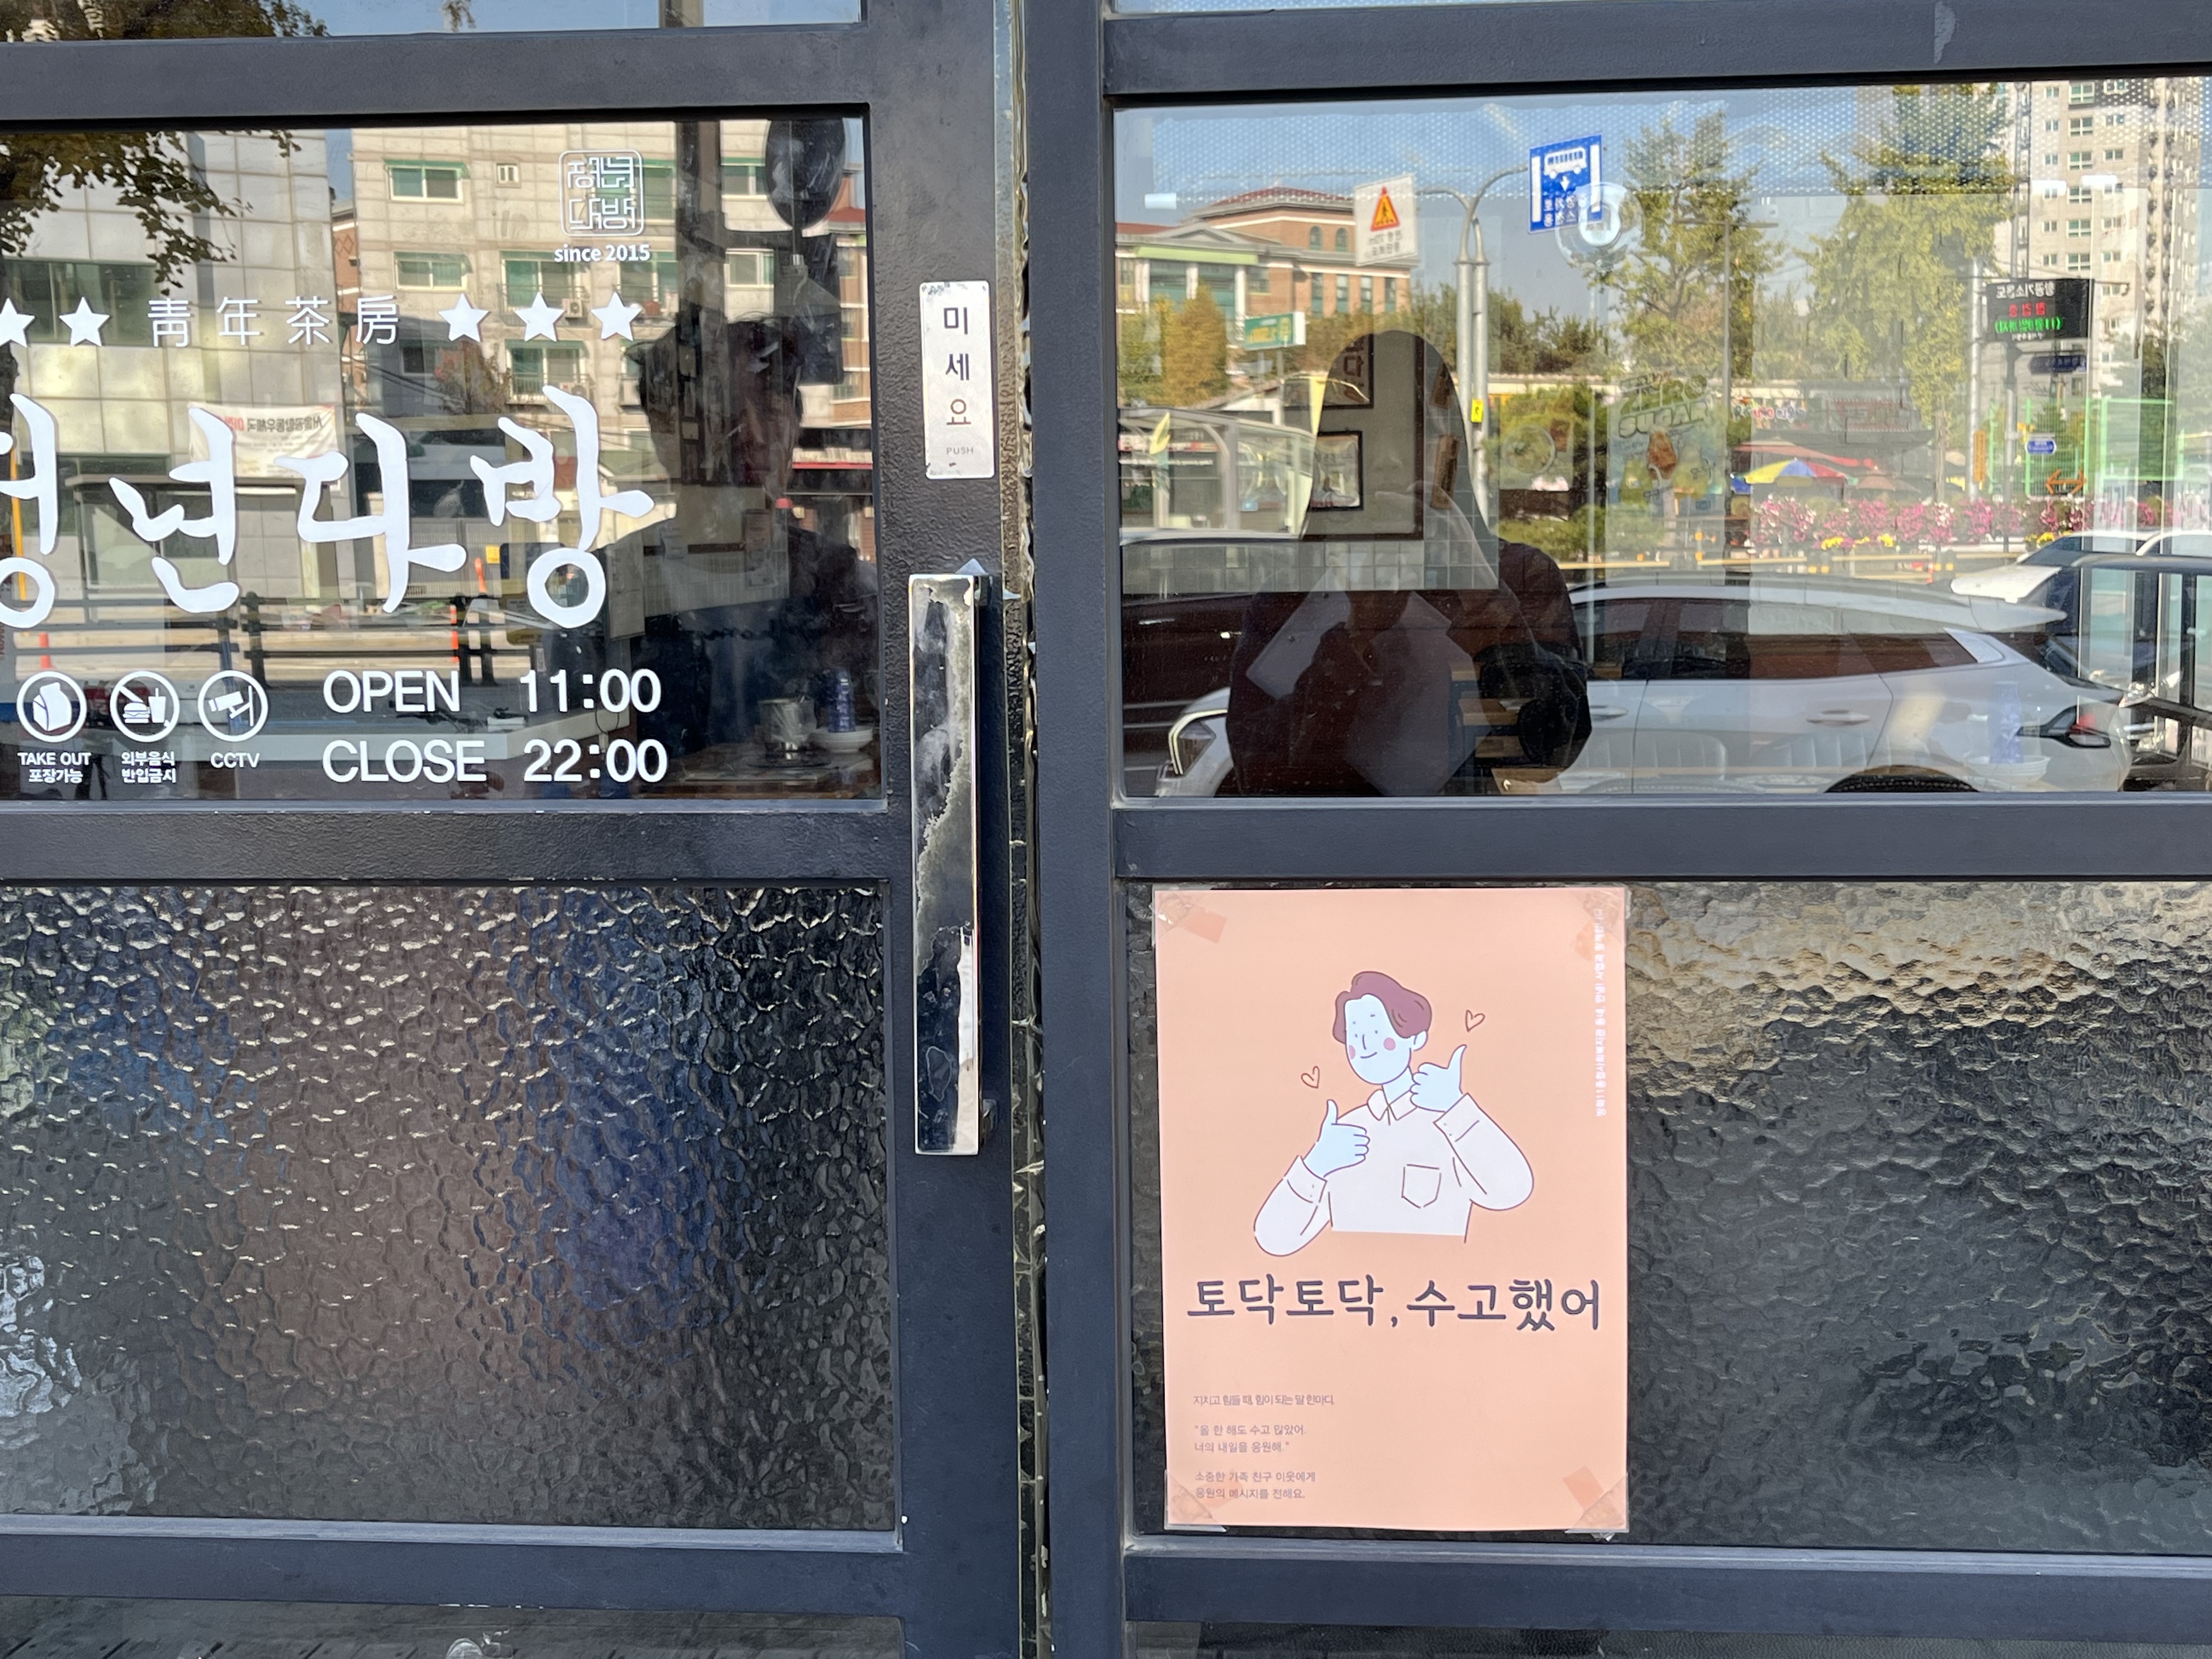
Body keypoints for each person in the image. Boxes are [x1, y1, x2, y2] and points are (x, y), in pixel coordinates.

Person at [1222, 328, 1589, 795]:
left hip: (1465, 841)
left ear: (1450, 449)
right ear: (1336, 453)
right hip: (1340, 843)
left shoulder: (1518, 576)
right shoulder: (1295, 591)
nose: (1391, 460)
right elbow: (1258, 776)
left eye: (1414, 433)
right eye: (1369, 434)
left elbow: (1553, 750)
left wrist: (1482, 593)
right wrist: (1353, 639)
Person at [1254, 969, 1532, 1257]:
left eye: (1375, 1032)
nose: (1364, 1045)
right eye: (1354, 1035)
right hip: (1357, 1281)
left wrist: (1457, 1109)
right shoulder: (1345, 1137)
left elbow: (1511, 1192)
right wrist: (1316, 1165)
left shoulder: (1452, 1124)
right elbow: (1274, 1240)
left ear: (1415, 1038)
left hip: (1440, 1277)